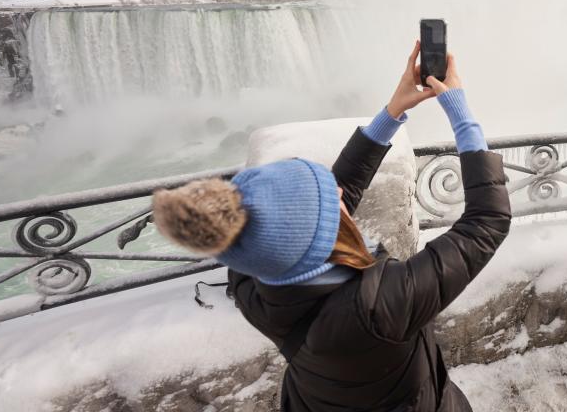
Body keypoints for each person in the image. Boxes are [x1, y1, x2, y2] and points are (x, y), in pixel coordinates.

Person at [152, 42, 511, 411]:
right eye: (331, 197)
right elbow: (486, 223)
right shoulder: (383, 305)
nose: (340, 190)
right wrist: (460, 110)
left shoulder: (255, 281)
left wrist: (393, 112)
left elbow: (323, 209)